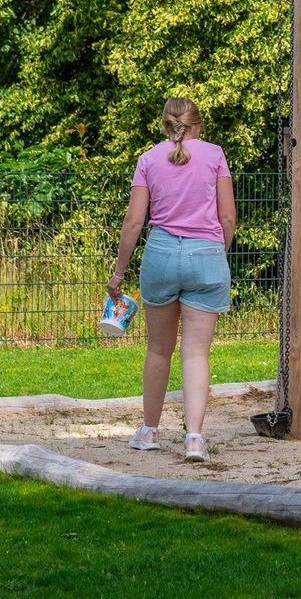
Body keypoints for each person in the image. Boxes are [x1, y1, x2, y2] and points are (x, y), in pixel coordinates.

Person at [108, 97, 236, 462]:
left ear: (165, 125)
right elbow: (228, 218)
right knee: (196, 352)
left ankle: (149, 431)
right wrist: (217, 253)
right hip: (206, 254)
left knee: (158, 349)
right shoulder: (215, 155)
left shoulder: (148, 159)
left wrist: (119, 273)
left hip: (161, 255)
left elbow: (134, 222)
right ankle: (194, 439)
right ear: (198, 125)